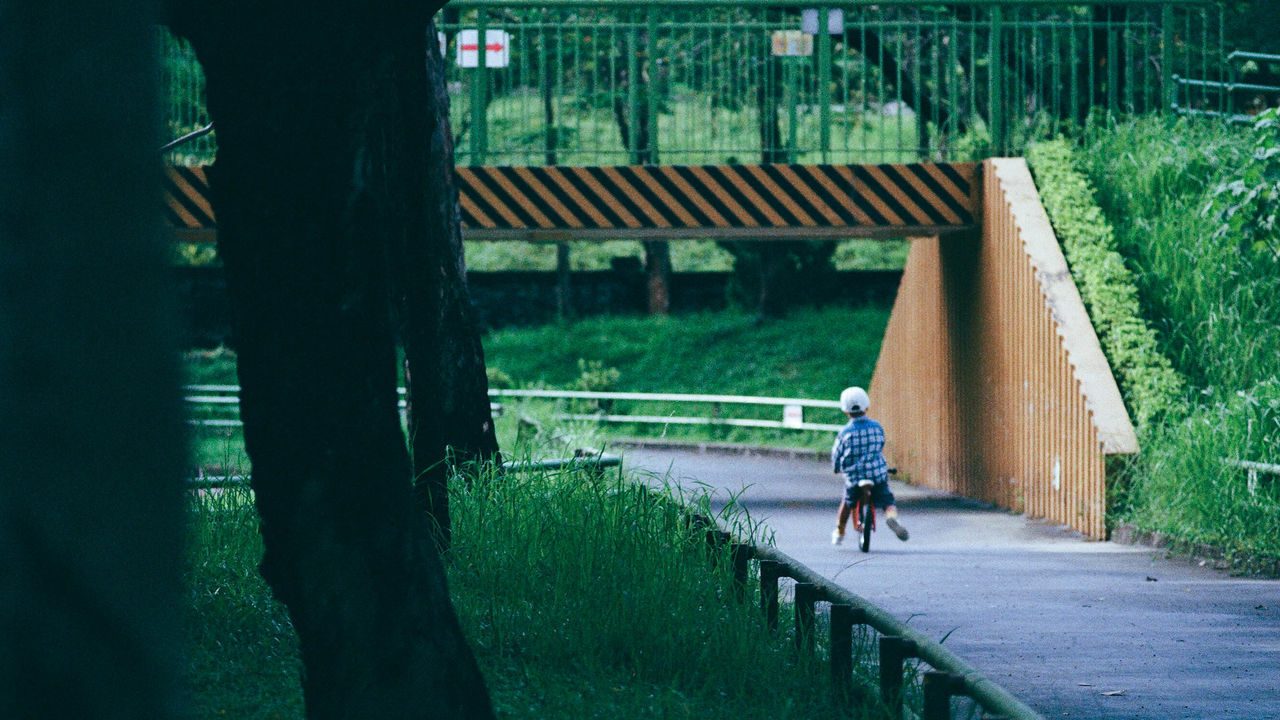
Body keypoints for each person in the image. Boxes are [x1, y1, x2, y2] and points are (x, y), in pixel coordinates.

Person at [830, 386, 909, 544]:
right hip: (877, 475)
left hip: (855, 477)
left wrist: (836, 467)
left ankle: (839, 532)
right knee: (888, 503)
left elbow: (836, 454)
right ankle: (892, 519)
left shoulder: (845, 433)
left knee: (847, 502)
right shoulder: (876, 427)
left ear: (846, 411)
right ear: (867, 406)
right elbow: (881, 444)